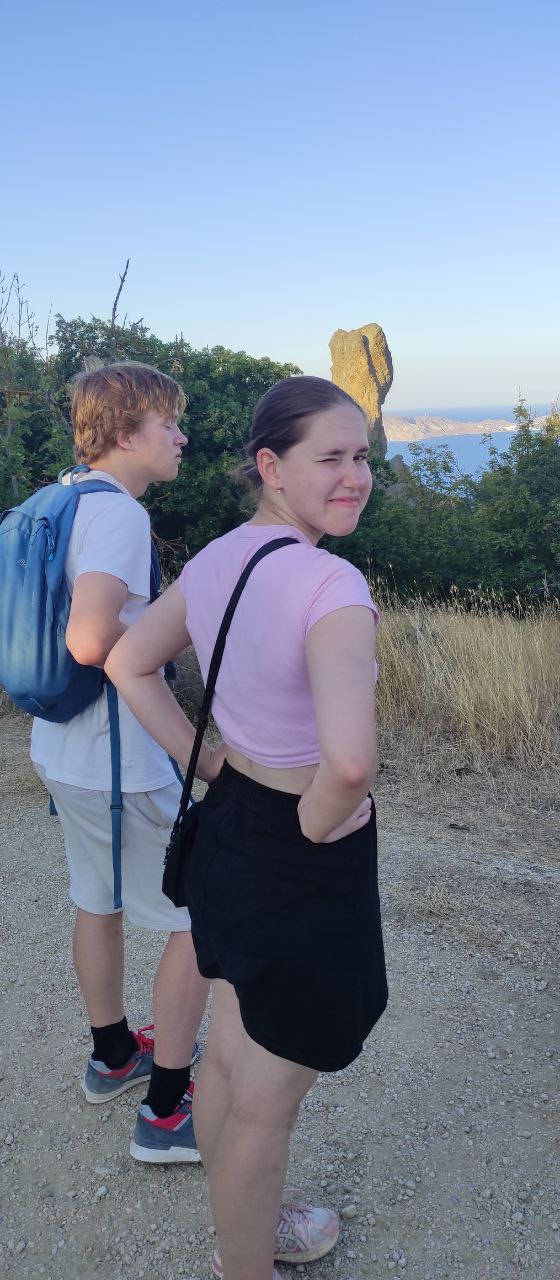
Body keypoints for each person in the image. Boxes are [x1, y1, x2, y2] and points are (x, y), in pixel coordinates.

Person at [105, 375, 388, 1280]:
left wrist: (210, 763)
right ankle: (246, 1265)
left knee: (228, 1061)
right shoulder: (332, 584)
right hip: (300, 849)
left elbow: (128, 662)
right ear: (271, 465)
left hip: (230, 827)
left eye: (362, 457)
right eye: (330, 458)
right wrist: (320, 822)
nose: (355, 477)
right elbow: (349, 764)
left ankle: (245, 1237)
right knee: (267, 1098)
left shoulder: (219, 558)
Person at [31, 361, 220, 1163]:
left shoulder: (56, 500)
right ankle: (167, 1113)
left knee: (96, 898)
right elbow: (90, 640)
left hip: (61, 748)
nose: (181, 437)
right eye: (168, 423)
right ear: (125, 431)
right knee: (202, 915)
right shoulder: (117, 515)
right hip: (121, 761)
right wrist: (201, 757)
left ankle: (113, 1056)